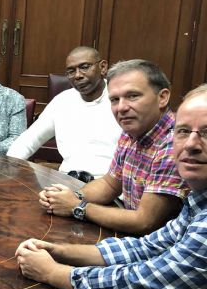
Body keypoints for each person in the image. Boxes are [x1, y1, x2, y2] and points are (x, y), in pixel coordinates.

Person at [15, 84, 207, 289]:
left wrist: (52, 272)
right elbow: (148, 246)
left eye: (205, 132)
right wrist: (61, 252)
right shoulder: (198, 199)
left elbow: (142, 283)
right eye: (183, 131)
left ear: (162, 97)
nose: (191, 143)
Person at [38, 59, 187, 236]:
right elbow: (109, 184)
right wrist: (70, 197)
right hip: (131, 234)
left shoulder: (174, 144)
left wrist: (76, 206)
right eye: (115, 99)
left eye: (133, 96)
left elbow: (144, 221)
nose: (121, 107)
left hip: (159, 245)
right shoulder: (132, 131)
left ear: (162, 97)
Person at [7, 46, 121, 177]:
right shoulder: (62, 101)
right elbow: (29, 139)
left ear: (103, 67)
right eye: (71, 71)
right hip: (67, 180)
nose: (77, 75)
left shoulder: (122, 100)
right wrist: (9, 166)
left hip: (112, 182)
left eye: (84, 67)